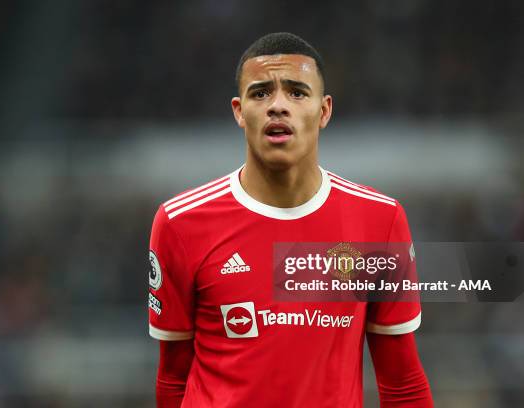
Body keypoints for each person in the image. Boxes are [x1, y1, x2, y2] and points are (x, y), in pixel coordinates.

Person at [148, 32, 433, 407]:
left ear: (324, 110)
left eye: (297, 92)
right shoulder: (180, 223)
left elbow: (402, 383)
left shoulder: (380, 220)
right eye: (260, 92)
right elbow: (173, 379)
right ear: (238, 110)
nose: (277, 105)